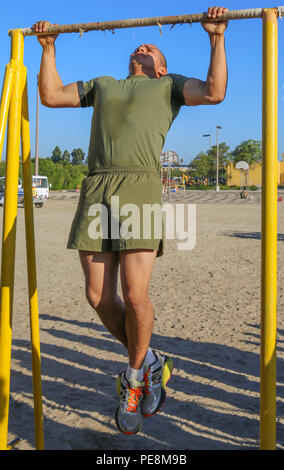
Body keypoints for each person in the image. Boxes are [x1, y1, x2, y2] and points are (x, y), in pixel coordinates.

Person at [33, 5, 228, 435]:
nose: (143, 46)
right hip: (97, 186)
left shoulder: (169, 87)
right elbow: (50, 96)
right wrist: (48, 48)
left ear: (161, 68)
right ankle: (154, 360)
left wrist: (216, 37)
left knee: (135, 296)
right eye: (140, 46)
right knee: (98, 297)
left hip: (138, 187)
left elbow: (215, 92)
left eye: (153, 49)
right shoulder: (102, 84)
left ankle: (135, 379)